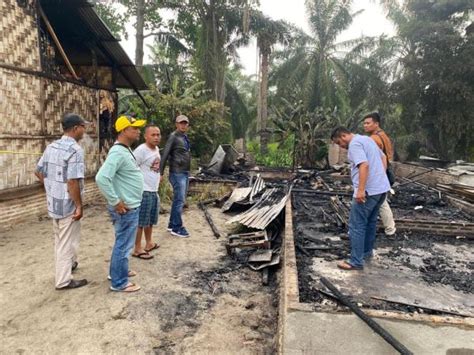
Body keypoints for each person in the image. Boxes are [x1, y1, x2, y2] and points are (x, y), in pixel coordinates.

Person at [35, 113, 89, 290]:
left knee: (61, 239)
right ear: (75, 128)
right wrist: (79, 205)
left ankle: (69, 264)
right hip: (68, 204)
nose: (84, 130)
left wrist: (51, 187)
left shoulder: (51, 147)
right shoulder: (75, 150)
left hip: (54, 203)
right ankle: (64, 280)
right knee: (65, 242)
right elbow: (72, 181)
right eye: (83, 126)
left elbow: (38, 171)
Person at [96, 115, 146, 292]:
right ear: (124, 130)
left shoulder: (125, 150)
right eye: (135, 128)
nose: (138, 131)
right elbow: (102, 178)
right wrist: (115, 201)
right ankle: (119, 282)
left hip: (129, 206)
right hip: (126, 208)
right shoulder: (118, 152)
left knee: (122, 241)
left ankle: (117, 271)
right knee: (124, 245)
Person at [331, 127, 390, 270]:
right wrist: (379, 176)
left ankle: (356, 261)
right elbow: (383, 157)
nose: (341, 147)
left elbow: (364, 165)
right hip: (381, 189)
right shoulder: (367, 140)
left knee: (356, 224)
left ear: (344, 136)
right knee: (370, 222)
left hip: (369, 191)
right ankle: (366, 253)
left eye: (339, 143)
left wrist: (361, 190)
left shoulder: (355, 144)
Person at [363, 112, 396, 236]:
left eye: (368, 123)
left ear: (376, 124)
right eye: (364, 123)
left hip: (379, 174)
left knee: (380, 202)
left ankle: (389, 229)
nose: (365, 126)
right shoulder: (383, 136)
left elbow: (373, 159)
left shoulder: (374, 139)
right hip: (385, 173)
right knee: (382, 201)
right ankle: (390, 228)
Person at [132, 124, 162, 260]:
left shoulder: (156, 149)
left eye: (158, 135)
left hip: (153, 189)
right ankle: (137, 248)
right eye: (153, 135)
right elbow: (131, 168)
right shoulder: (140, 150)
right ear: (146, 136)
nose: (156, 137)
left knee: (150, 219)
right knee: (141, 221)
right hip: (143, 190)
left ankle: (148, 243)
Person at [160, 115, 191, 238]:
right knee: (180, 200)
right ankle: (177, 228)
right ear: (176, 124)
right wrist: (160, 173)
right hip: (177, 172)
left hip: (184, 172)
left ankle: (172, 224)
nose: (183, 125)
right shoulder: (173, 136)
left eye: (185, 123)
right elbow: (165, 154)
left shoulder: (184, 137)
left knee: (178, 200)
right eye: (181, 123)